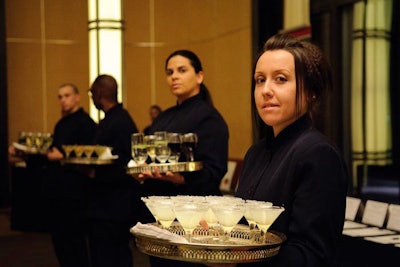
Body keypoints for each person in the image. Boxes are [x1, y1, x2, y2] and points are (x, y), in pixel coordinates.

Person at [232, 34, 348, 267]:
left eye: (281, 79)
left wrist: (235, 257)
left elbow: (312, 254)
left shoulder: (319, 154)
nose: (266, 90)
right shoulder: (256, 153)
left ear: (311, 92)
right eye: (259, 80)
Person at [137, 50, 229, 267]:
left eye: (181, 70)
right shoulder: (163, 117)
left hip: (193, 220)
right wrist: (142, 172)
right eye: (169, 72)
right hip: (161, 215)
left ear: (199, 76)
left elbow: (215, 171)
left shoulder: (209, 118)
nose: (174, 77)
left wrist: (181, 179)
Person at [88, 74, 140, 267]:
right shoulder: (113, 119)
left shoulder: (119, 121)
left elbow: (128, 163)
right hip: (107, 203)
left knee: (112, 256)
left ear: (100, 93)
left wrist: (93, 172)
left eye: (92, 92)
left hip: (114, 205)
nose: (92, 97)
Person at [44, 83, 97, 267]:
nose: (63, 100)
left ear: (77, 97)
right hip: (59, 192)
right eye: (60, 97)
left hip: (76, 193)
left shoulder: (86, 123)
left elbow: (91, 155)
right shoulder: (61, 123)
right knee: (61, 241)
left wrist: (63, 156)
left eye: (66, 95)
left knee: (75, 242)